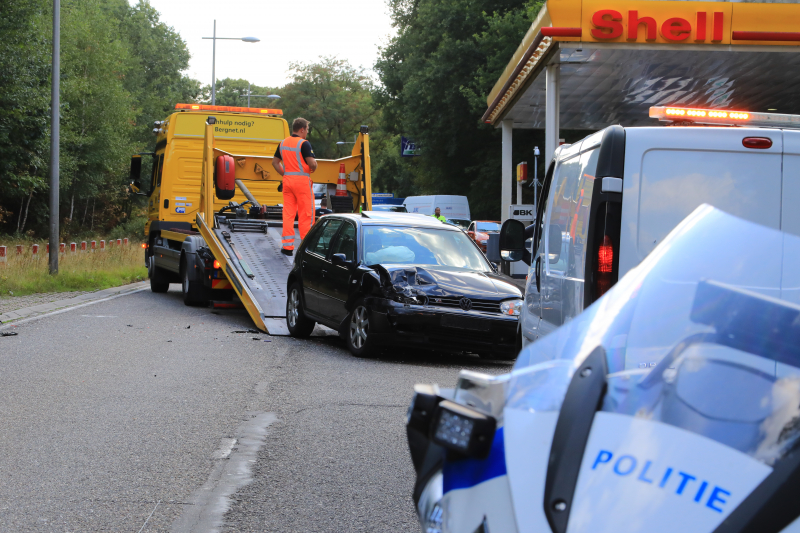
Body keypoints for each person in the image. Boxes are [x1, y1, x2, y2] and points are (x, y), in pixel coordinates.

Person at [272, 118, 317, 256]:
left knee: (288, 213)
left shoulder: (283, 143)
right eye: (307, 130)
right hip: (302, 182)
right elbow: (312, 163)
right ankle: (306, 247)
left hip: (288, 181)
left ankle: (287, 247)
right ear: (302, 129)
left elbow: (275, 163)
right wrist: (314, 166)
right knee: (306, 214)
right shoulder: (304, 144)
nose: (307, 132)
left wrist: (285, 174)